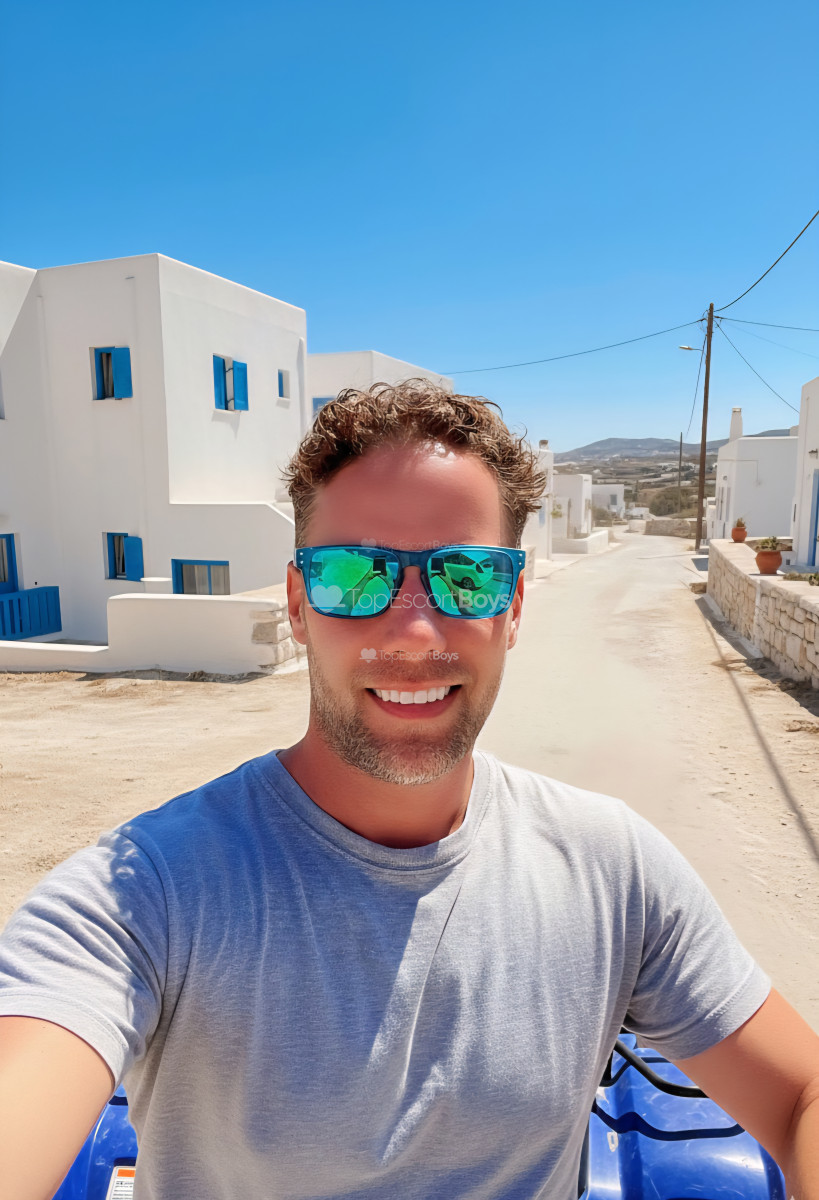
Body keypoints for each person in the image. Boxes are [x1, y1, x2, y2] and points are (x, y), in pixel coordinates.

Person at [1, 379, 818, 1200]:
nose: (414, 631)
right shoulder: (144, 896)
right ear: (298, 605)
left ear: (512, 606)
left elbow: (799, 1097)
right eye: (353, 575)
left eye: (468, 577)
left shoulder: (612, 871)